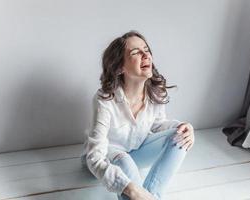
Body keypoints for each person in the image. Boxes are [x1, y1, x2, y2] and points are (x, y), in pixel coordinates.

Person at [80, 31, 195, 200]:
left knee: (180, 135)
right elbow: (94, 158)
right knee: (125, 162)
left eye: (146, 49)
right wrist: (131, 189)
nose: (145, 54)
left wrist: (183, 126)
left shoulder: (155, 92)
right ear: (120, 67)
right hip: (107, 158)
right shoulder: (104, 100)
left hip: (137, 153)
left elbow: (157, 124)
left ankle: (152, 196)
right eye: (135, 52)